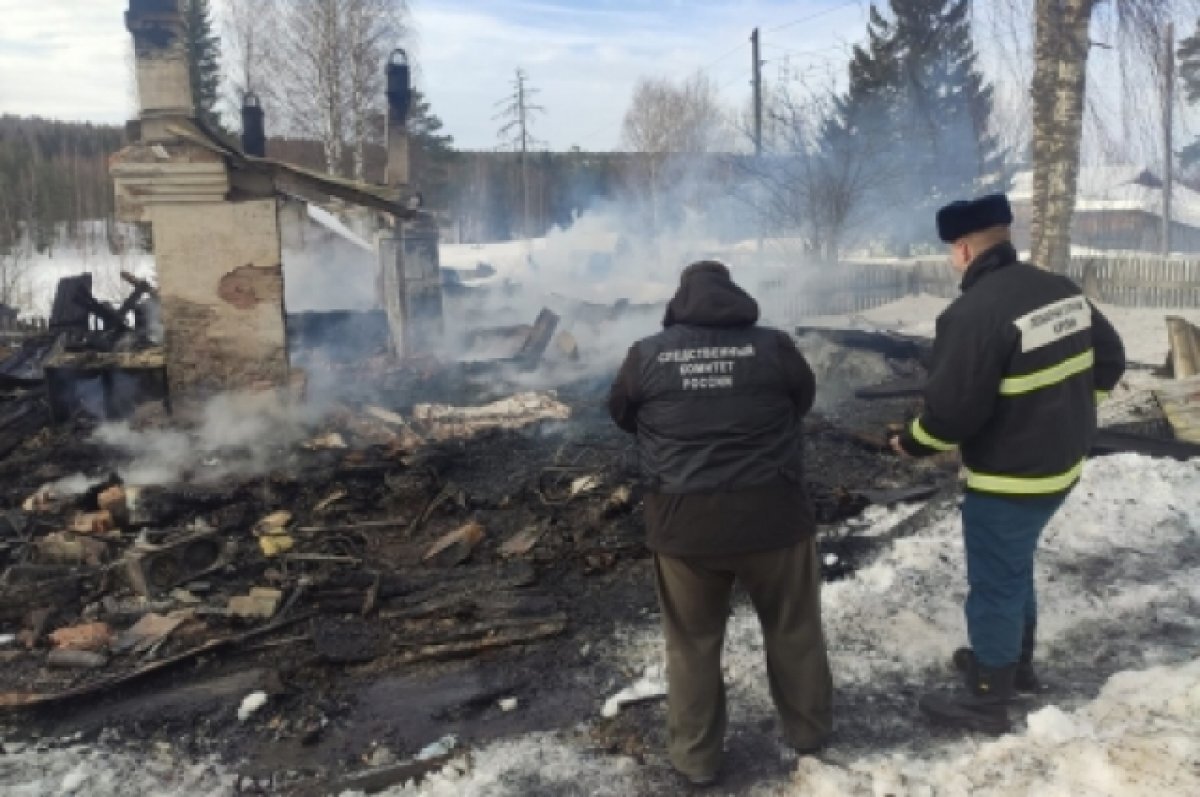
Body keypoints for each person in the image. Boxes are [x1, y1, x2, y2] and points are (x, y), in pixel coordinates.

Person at [890, 195, 1125, 734]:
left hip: (1010, 476)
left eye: (952, 251)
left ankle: (989, 697)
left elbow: (951, 416)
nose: (953, 260)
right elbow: (1109, 359)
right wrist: (1068, 409)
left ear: (964, 247)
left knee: (995, 580)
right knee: (1014, 564)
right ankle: (1014, 666)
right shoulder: (1058, 289)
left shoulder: (972, 314)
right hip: (1063, 461)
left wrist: (912, 443)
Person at [608, 260, 832, 786]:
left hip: (686, 528)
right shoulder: (774, 347)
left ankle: (695, 759)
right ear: (736, 297)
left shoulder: (646, 355)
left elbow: (622, 415)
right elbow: (802, 401)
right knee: (795, 629)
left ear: (678, 302)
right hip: (774, 519)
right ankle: (810, 733)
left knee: (692, 644)